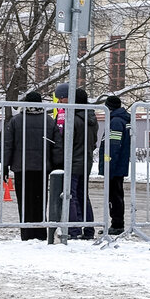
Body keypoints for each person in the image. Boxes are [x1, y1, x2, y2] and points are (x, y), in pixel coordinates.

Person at [2, 91, 63, 241]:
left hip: (21, 168)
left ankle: (27, 233)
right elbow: (57, 146)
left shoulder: (16, 121)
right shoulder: (49, 121)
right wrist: (57, 165)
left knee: (24, 201)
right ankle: (40, 232)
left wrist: (5, 165)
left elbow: (7, 145)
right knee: (41, 201)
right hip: (42, 168)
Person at [55, 85, 99, 240]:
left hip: (72, 162)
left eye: (63, 98)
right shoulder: (91, 118)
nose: (60, 102)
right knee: (82, 195)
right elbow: (93, 143)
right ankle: (88, 230)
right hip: (86, 161)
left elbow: (66, 142)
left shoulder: (71, 119)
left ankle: (73, 230)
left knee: (70, 195)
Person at [98, 95, 131, 235]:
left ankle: (117, 224)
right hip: (119, 164)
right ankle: (117, 223)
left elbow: (113, 146)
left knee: (114, 196)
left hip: (114, 165)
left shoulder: (116, 121)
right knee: (117, 195)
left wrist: (108, 164)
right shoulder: (123, 119)